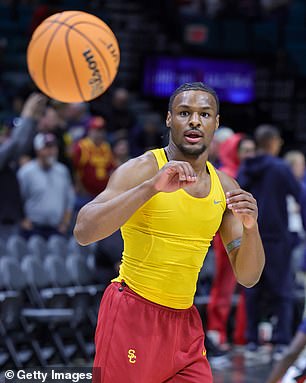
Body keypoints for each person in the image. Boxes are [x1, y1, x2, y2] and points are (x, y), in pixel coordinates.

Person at [74, 82, 265, 383]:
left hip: (184, 324)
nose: (194, 121)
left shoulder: (226, 188)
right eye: (184, 112)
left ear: (216, 123)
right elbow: (84, 230)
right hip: (133, 313)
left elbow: (248, 276)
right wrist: (151, 188)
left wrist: (252, 230)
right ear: (168, 119)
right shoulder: (142, 169)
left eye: (204, 114)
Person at [237, 125, 303, 361]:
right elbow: (300, 196)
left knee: (252, 289)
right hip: (276, 238)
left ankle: (252, 340)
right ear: (273, 142)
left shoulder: (247, 166)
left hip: (251, 235)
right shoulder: (280, 168)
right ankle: (281, 341)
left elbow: (235, 194)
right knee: (282, 291)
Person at [17, 132, 75, 240]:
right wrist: (22, 220)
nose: (51, 152)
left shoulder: (62, 171)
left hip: (56, 228)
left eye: (53, 147)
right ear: (38, 150)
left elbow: (69, 200)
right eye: (47, 148)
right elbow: (17, 199)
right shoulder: (26, 172)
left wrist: (65, 223)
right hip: (33, 228)